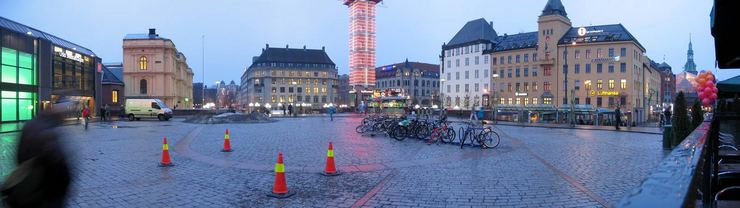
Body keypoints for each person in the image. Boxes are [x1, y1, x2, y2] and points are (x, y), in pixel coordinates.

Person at [1, 107, 72, 207]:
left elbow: (19, 156)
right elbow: (60, 169)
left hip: (29, 186)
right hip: (44, 194)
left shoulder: (29, 125)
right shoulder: (50, 134)